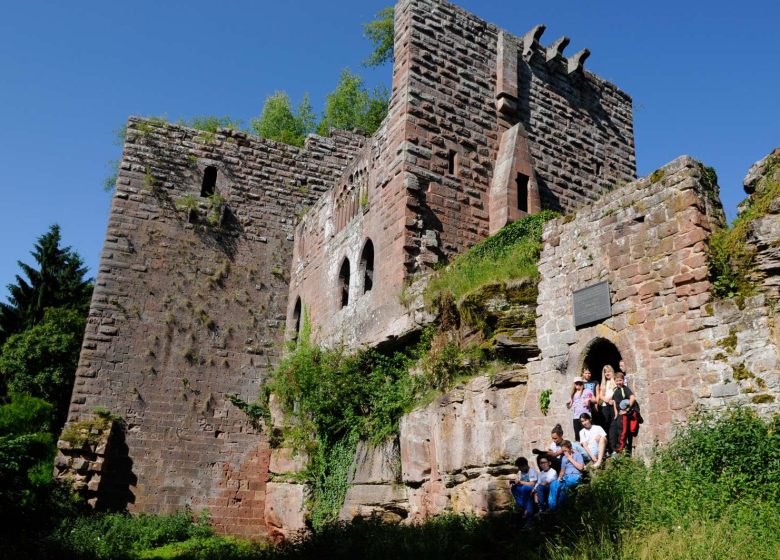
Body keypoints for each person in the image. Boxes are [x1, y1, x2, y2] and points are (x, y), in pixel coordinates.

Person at [547, 440, 585, 510]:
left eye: (566, 450)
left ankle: (560, 510)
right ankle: (552, 508)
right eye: (563, 451)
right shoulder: (564, 458)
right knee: (553, 484)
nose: (565, 453)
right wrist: (560, 477)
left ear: (570, 448)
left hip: (575, 476)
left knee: (563, 489)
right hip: (565, 477)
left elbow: (581, 468)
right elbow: (562, 470)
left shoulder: (577, 455)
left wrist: (570, 458)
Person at [609, 372, 638, 454]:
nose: (619, 382)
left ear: (623, 380)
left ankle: (620, 449)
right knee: (615, 431)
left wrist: (628, 409)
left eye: (620, 380)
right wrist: (616, 413)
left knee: (623, 431)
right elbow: (615, 402)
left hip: (624, 414)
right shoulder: (616, 390)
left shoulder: (625, 389)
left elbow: (632, 397)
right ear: (614, 381)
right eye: (617, 381)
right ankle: (615, 449)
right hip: (618, 415)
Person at [509, 456, 538, 527]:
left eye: (520, 467)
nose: (519, 469)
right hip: (523, 487)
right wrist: (515, 482)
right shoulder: (521, 472)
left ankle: (527, 515)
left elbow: (532, 484)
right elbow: (520, 481)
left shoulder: (532, 471)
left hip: (531, 488)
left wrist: (520, 482)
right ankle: (521, 505)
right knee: (514, 488)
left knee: (524, 488)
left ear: (525, 465)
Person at [566, 377, 595, 441]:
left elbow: (594, 400)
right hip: (576, 417)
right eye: (576, 383)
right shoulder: (573, 394)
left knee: (587, 434)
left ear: (582, 383)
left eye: (580, 383)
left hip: (585, 416)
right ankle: (579, 449)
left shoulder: (587, 391)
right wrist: (567, 404)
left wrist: (589, 399)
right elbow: (569, 406)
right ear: (574, 384)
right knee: (578, 435)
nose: (578, 384)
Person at [599, 364, 617, 442]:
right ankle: (607, 445)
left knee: (614, 425)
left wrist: (611, 399)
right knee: (605, 425)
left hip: (613, 405)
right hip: (605, 406)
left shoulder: (615, 381)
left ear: (612, 372)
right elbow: (600, 395)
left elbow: (617, 392)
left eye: (609, 371)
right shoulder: (604, 383)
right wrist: (606, 400)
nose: (607, 373)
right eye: (605, 372)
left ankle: (614, 445)